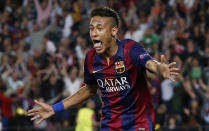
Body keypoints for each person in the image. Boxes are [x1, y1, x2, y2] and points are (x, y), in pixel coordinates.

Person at [28, 7, 179, 131]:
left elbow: (149, 63)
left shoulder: (130, 49)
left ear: (113, 31)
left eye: (100, 28)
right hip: (110, 125)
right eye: (92, 28)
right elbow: (89, 90)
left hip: (139, 123)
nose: (94, 33)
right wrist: (55, 108)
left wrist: (160, 69)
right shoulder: (91, 58)